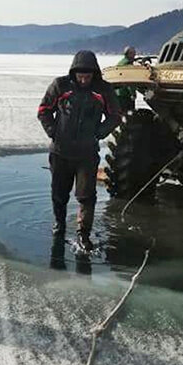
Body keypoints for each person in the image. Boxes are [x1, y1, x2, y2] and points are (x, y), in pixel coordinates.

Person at [37, 50, 120, 251]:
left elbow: (115, 116)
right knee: (59, 192)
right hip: (60, 151)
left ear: (94, 73)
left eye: (88, 76)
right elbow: (43, 111)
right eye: (80, 76)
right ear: (74, 73)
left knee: (86, 195)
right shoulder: (61, 85)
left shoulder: (103, 90)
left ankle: (83, 234)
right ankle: (60, 223)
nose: (83, 80)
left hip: (86, 154)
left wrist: (99, 133)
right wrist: (53, 132)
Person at [116, 45, 137, 114]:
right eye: (133, 53)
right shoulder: (128, 65)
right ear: (128, 54)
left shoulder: (120, 63)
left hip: (118, 93)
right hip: (125, 94)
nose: (134, 55)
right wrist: (133, 94)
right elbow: (130, 81)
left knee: (121, 114)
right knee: (130, 115)